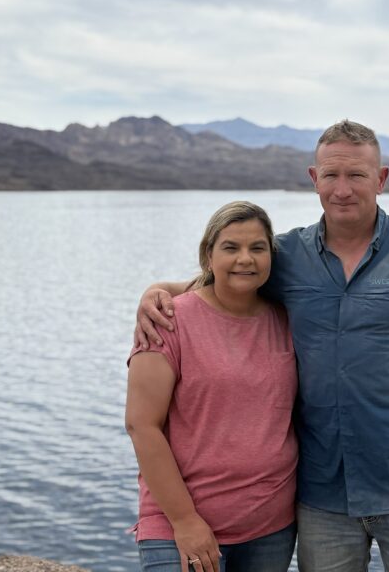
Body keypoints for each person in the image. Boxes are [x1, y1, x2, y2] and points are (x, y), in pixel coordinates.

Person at [135, 121, 389, 572]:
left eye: (357, 175)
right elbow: (219, 280)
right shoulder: (286, 257)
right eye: (331, 175)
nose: (343, 189)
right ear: (313, 178)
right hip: (321, 496)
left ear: (380, 180)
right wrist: (157, 291)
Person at [125, 201, 298, 572]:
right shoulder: (168, 320)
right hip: (178, 527)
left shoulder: (286, 318)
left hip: (270, 527)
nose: (245, 259)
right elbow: (142, 426)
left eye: (257, 248)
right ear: (208, 254)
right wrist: (185, 521)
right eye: (231, 247)